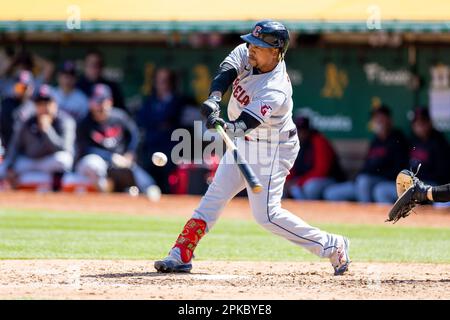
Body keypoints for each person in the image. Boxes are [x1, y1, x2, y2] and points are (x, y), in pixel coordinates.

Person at [154, 20, 351, 276]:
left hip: (273, 148)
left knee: (266, 215)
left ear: (276, 51)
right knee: (214, 196)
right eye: (251, 42)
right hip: (245, 143)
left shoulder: (275, 88)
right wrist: (215, 100)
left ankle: (333, 245)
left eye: (259, 45)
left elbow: (244, 124)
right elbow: (226, 71)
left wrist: (221, 123)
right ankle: (180, 253)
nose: (251, 48)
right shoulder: (249, 54)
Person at [73, 84, 159, 196]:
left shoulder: (119, 117)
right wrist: (111, 157)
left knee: (147, 183)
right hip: (98, 163)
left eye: (103, 101)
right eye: (96, 101)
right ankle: (105, 192)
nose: (100, 106)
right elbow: (85, 149)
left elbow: (135, 135)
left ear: (110, 101)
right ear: (90, 103)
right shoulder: (84, 122)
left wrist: (130, 153)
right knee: (92, 163)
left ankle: (139, 189)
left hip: (120, 162)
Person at [324, 105, 409, 203]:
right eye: (375, 118)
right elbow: (367, 165)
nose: (378, 121)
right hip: (365, 183)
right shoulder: (375, 141)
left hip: (384, 181)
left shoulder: (398, 139)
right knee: (331, 193)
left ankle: (366, 215)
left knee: (365, 182)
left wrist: (373, 175)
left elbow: (399, 169)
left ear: (389, 120)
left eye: (381, 117)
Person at [0, 84, 75, 190]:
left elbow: (64, 148)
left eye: (47, 103)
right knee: (3, 168)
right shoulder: (27, 121)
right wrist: (10, 166)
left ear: (55, 104)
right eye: (40, 103)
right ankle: (13, 193)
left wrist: (47, 130)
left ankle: (57, 190)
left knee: (64, 159)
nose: (43, 107)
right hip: (30, 162)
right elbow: (15, 146)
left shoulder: (65, 121)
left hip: (50, 162)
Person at [135, 68, 182, 193]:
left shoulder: (180, 102)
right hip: (150, 149)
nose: (162, 85)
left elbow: (177, 125)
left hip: (172, 150)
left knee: (168, 186)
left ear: (172, 83)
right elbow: (142, 122)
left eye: (165, 81)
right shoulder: (150, 102)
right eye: (159, 81)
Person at [288, 116, 345, 200]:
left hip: (329, 180)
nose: (300, 133)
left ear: (308, 130)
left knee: (310, 187)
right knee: (286, 187)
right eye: (297, 130)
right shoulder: (295, 143)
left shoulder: (318, 141)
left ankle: (313, 211)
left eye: (302, 130)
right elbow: (291, 167)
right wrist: (287, 181)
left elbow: (321, 171)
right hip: (305, 180)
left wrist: (299, 182)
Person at [0, 70, 36, 149]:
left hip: (21, 150)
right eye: (19, 86)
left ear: (32, 88)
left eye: (25, 87)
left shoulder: (34, 108)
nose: (22, 90)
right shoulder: (5, 103)